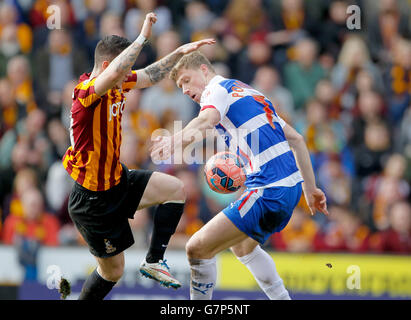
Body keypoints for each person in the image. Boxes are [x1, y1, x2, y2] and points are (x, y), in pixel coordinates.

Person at [151, 50, 329, 300]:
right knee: (243, 247)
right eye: (180, 86)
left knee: (197, 248)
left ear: (204, 70)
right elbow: (297, 140)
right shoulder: (250, 93)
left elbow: (206, 120)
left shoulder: (216, 90)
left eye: (186, 80)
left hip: (268, 189)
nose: (184, 90)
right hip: (289, 190)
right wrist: (311, 189)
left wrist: (175, 140)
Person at [62, 12, 215, 300]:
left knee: (175, 190)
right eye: (124, 68)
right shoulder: (85, 94)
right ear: (108, 66)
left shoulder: (118, 84)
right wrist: (142, 37)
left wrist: (179, 53)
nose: (129, 75)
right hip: (92, 200)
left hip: (117, 180)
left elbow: (151, 74)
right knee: (112, 272)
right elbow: (119, 72)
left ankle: (154, 260)